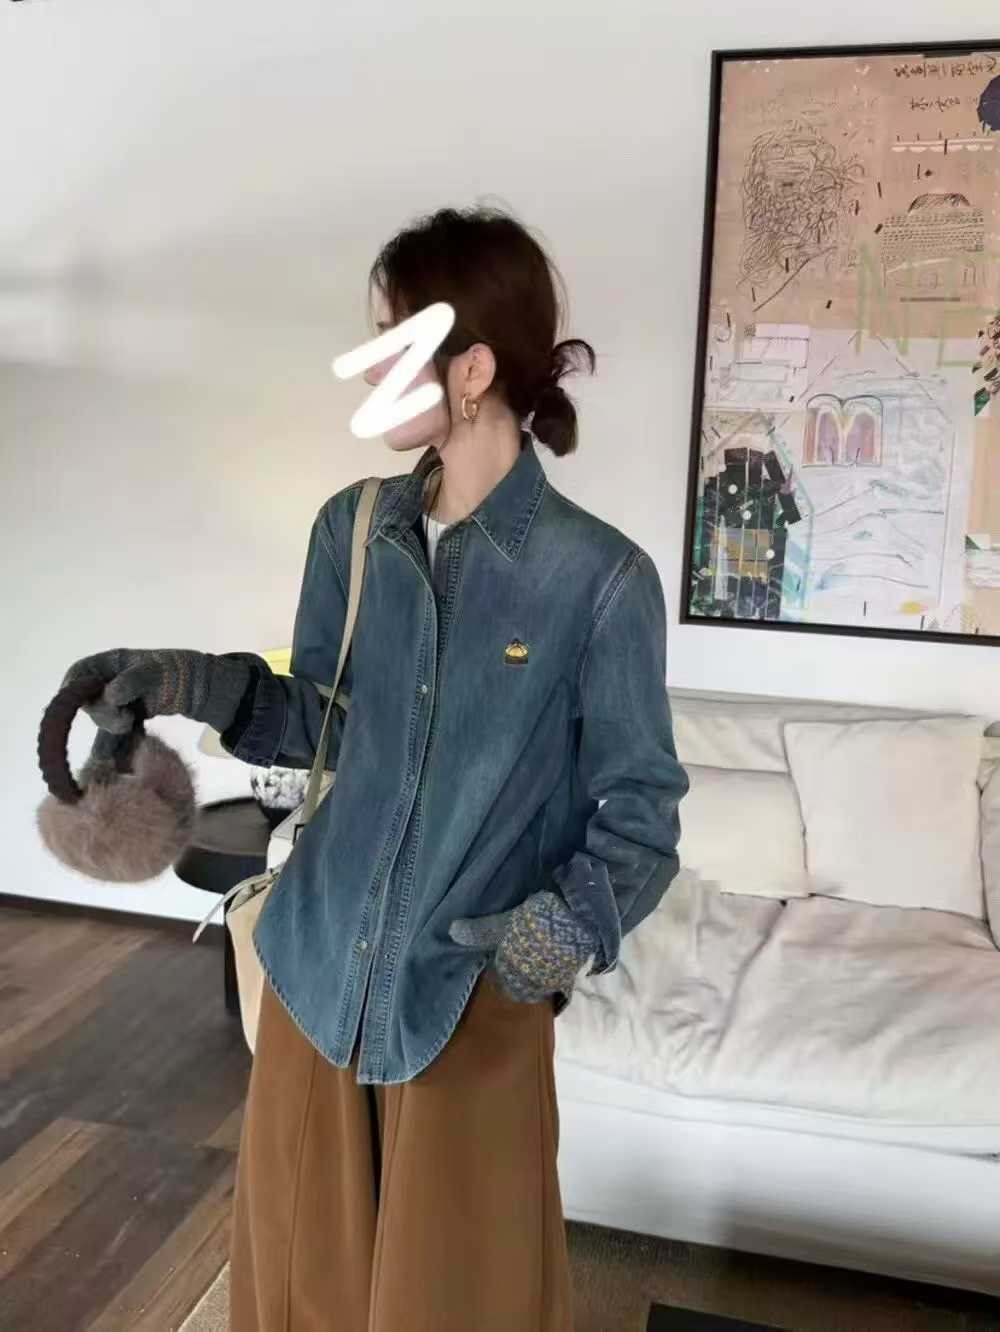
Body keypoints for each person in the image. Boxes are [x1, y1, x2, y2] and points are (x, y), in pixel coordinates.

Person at [60, 205, 689, 1331]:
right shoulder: (349, 531)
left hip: (465, 994)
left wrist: (548, 942)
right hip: (317, 966)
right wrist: (182, 680)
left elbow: (640, 813)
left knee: (460, 1299)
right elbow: (325, 721)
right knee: (304, 1284)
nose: (364, 364)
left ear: (471, 370)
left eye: (390, 338)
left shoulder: (599, 581)